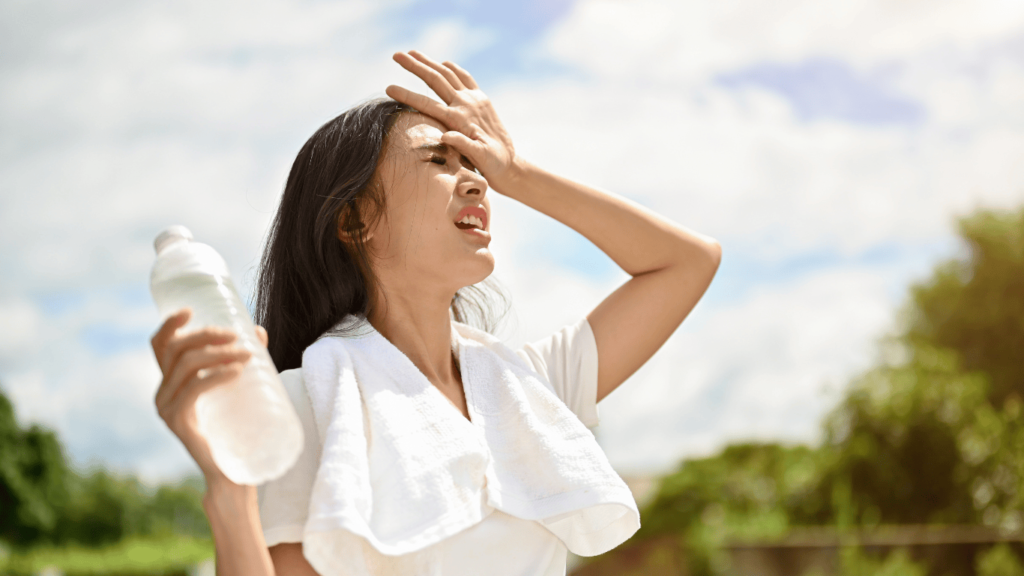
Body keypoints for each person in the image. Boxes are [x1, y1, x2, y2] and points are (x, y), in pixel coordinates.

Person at [150, 50, 721, 576]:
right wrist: (230, 490)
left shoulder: (531, 390)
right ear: (354, 221)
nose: (477, 179)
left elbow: (686, 261)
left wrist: (518, 172)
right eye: (440, 159)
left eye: (474, 162)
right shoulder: (309, 405)